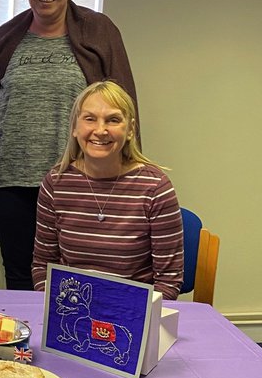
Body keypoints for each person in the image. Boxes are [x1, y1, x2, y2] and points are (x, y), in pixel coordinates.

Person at [0, 0, 137, 291]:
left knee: (75, 273)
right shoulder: (7, 36)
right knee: (19, 273)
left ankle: (70, 341)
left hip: (75, 176)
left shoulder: (99, 31)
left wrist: (123, 167)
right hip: (7, 178)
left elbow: (121, 104)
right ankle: (25, 346)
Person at [32, 81, 183, 298]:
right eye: (90, 118)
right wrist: (63, 309)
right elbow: (42, 267)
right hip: (71, 309)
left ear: (130, 129)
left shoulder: (155, 188)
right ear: (75, 127)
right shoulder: (55, 184)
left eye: (113, 120)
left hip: (132, 315)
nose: (100, 131)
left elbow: (168, 281)